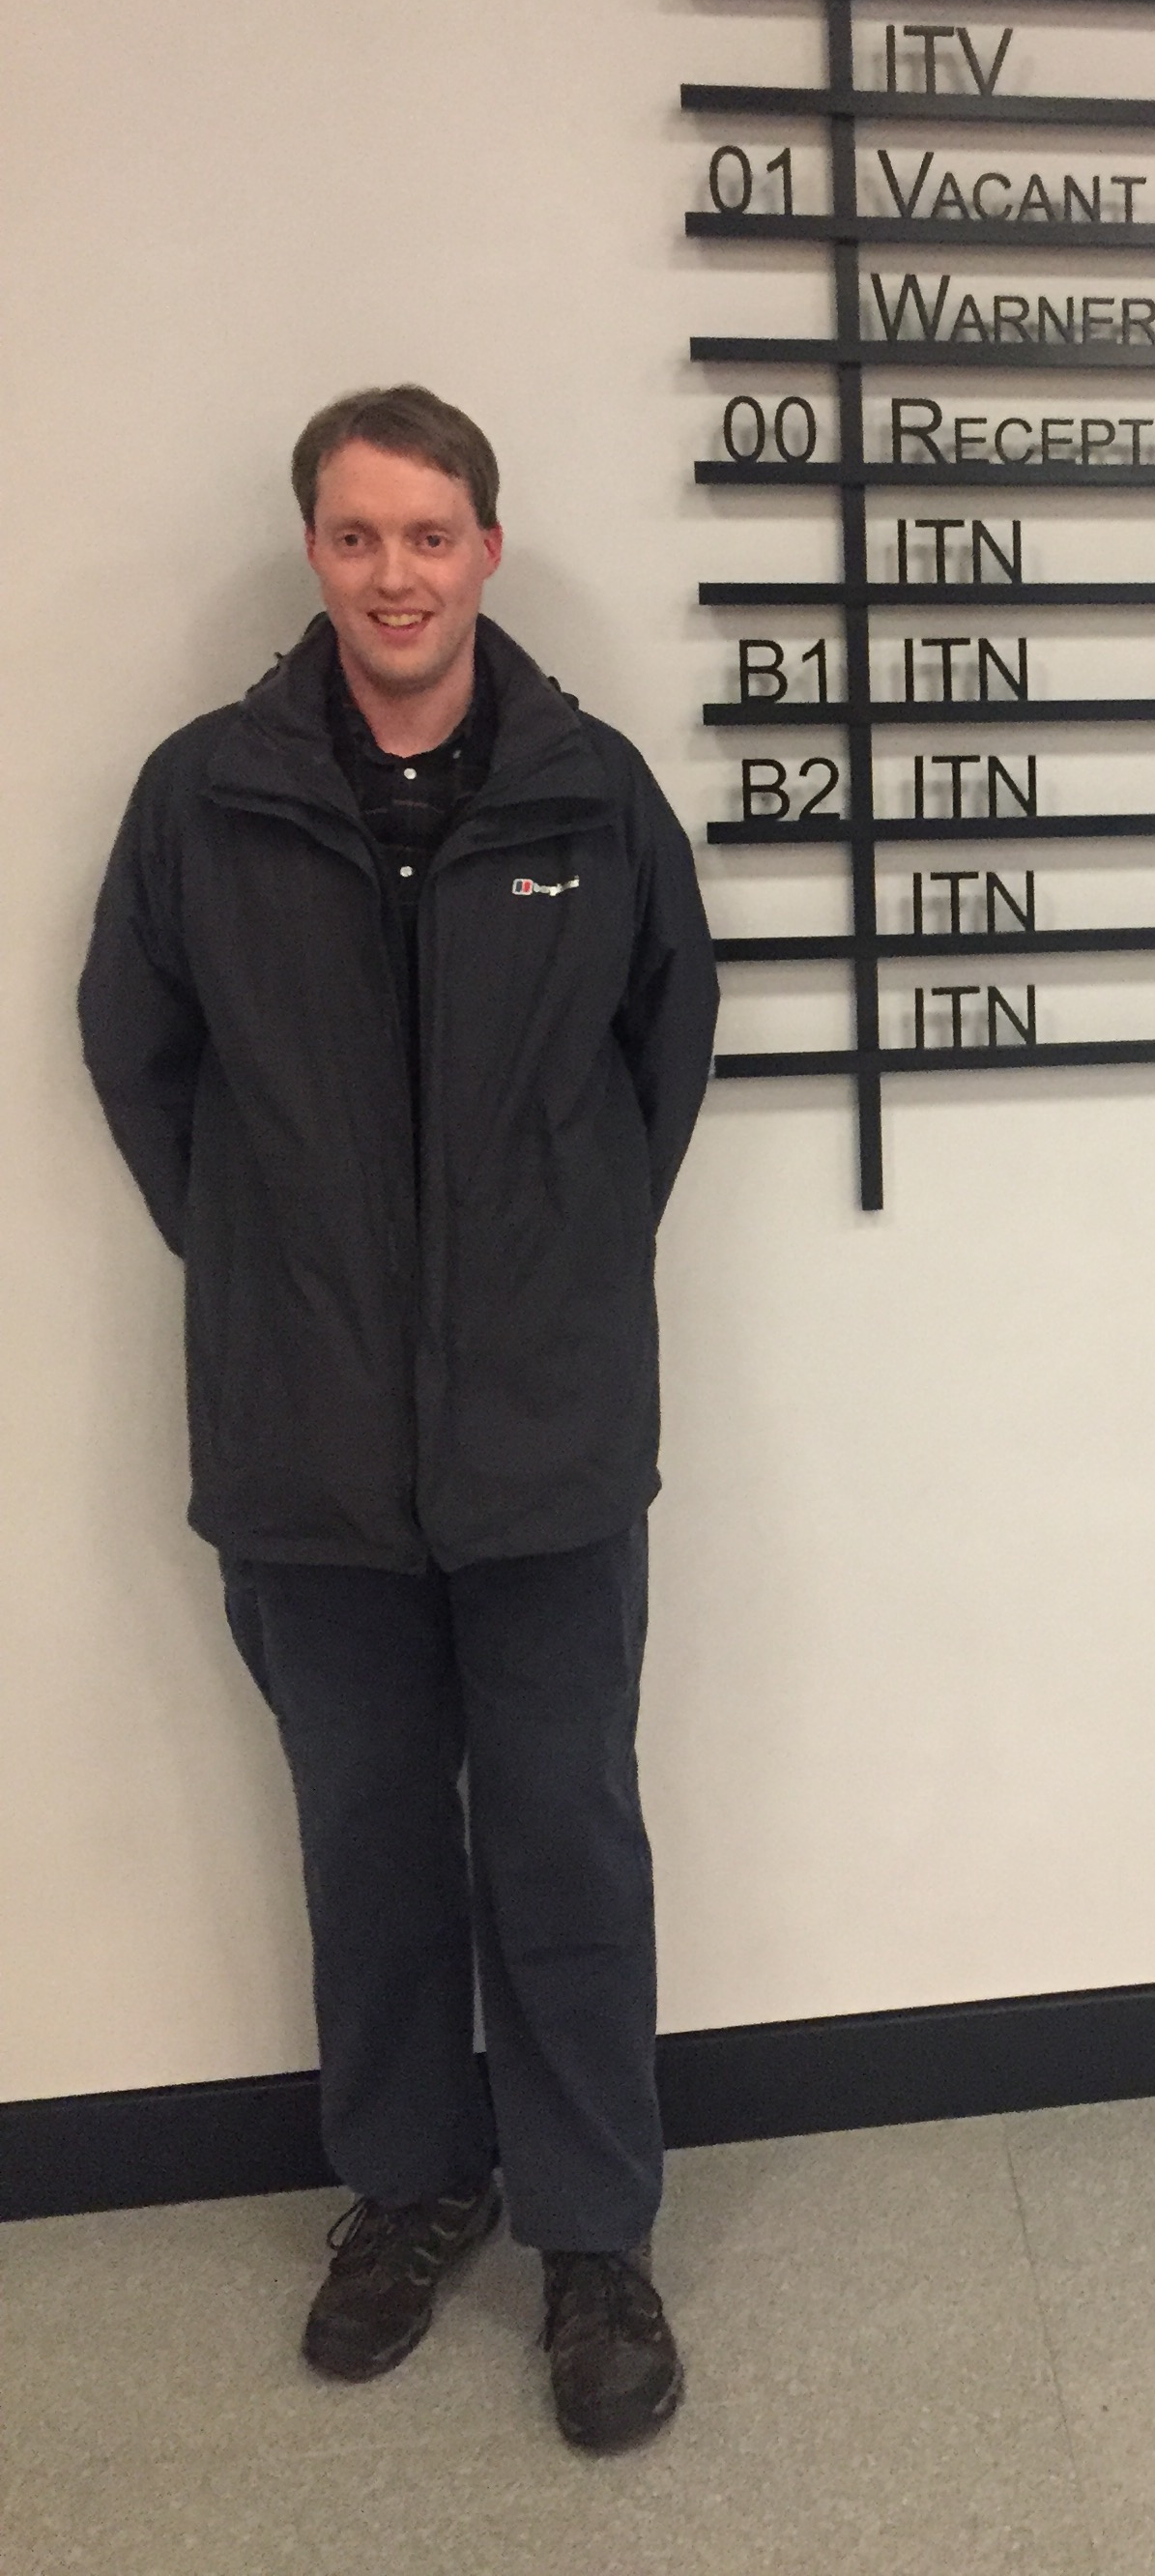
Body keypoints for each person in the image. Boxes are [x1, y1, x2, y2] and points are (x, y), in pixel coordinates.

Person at [78, 385, 718, 2453]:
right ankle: (410, 2190)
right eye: (356, 538)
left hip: (545, 1440)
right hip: (305, 1442)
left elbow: (662, 1066)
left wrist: (541, 1265)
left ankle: (593, 2238)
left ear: (488, 554)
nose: (395, 575)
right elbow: (143, 1065)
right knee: (365, 1844)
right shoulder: (207, 801)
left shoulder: (590, 797)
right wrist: (280, 1276)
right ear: (316, 556)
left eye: (430, 535)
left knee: (562, 1837)